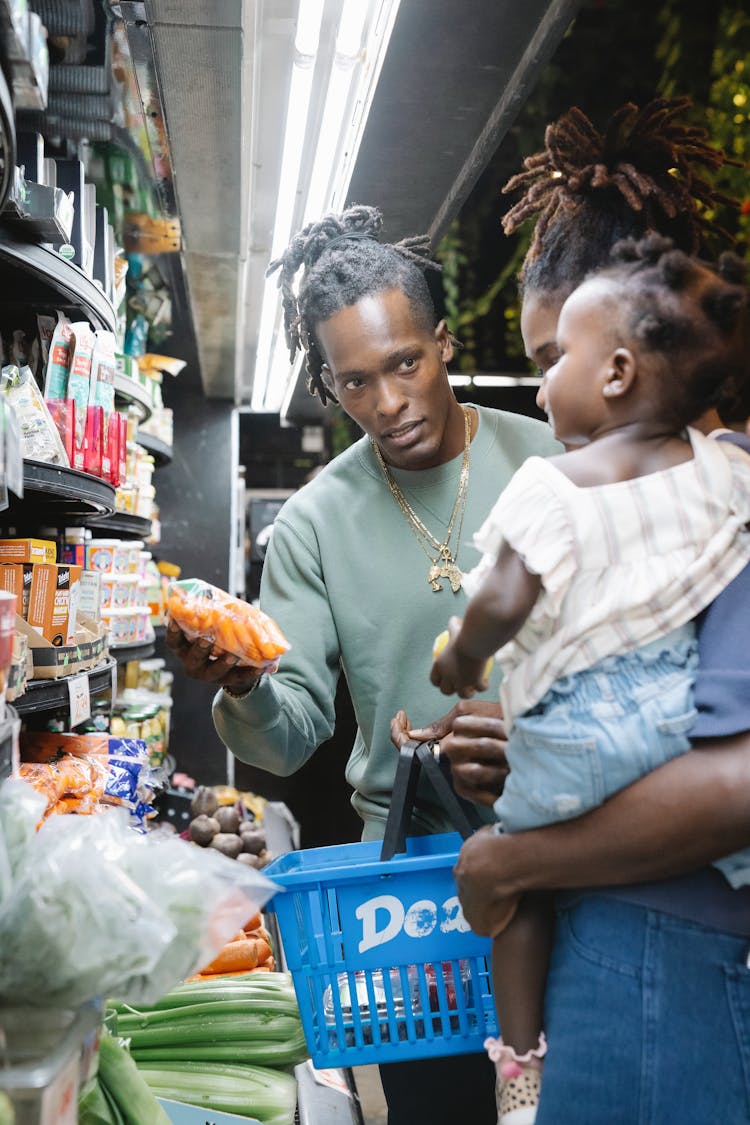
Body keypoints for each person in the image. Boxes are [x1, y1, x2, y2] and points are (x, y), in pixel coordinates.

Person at [167, 202, 560, 1125]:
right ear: (327, 386)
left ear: (444, 344)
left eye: (405, 365)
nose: (387, 403)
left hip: (573, 842)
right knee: (445, 1106)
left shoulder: (549, 461)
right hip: (420, 890)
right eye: (354, 382)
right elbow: (290, 730)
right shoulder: (313, 523)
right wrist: (243, 678)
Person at [421, 98, 750, 1124]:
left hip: (676, 954)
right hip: (622, 937)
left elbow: (739, 778)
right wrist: (525, 745)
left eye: (551, 361)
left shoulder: (726, 498)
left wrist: (515, 856)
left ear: (630, 359)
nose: (545, 403)